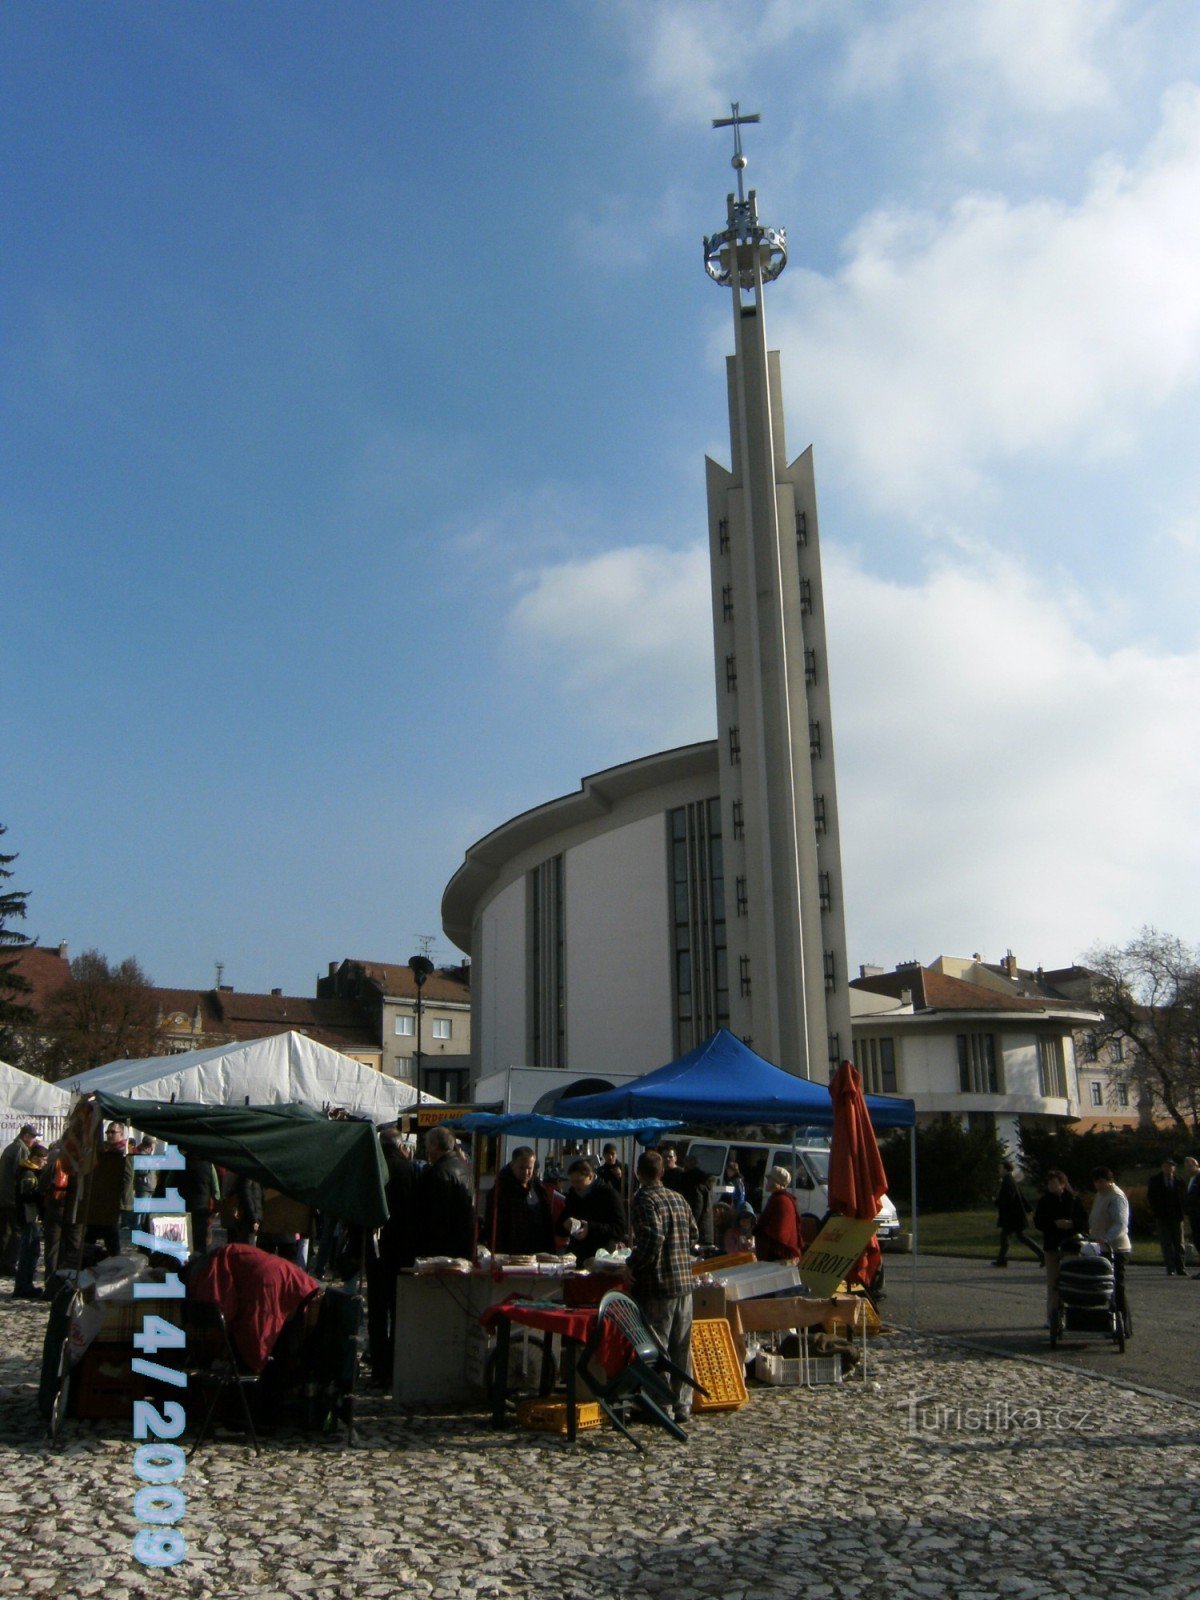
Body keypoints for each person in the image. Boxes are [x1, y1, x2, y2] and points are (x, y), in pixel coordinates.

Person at [626, 1149, 698, 1424]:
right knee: (682, 1346)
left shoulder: (644, 1199)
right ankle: (682, 1405)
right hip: (684, 1282)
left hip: (659, 1283)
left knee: (659, 1347)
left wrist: (633, 1263)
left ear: (638, 1173)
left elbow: (652, 1236)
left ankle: (661, 1405)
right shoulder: (678, 1198)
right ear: (662, 1172)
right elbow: (694, 1234)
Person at [366, 1130, 419, 1388]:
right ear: (400, 1147)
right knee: (399, 1310)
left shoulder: (373, 1169)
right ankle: (398, 1365)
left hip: (376, 1250)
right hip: (401, 1249)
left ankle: (379, 1367)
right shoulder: (407, 1170)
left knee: (377, 1312)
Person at [1032, 1169, 1088, 1323]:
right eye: (1049, 1183)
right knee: (1053, 1283)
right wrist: (1053, 1224)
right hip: (1051, 1245)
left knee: (1071, 1281)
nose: (1051, 1186)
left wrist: (1072, 1224)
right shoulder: (1044, 1201)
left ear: (1062, 1184)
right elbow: (1038, 1222)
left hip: (1070, 1245)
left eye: (1054, 1183)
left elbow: (1083, 1222)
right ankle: (1053, 1317)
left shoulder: (1073, 1200)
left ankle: (1074, 1316)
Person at [414, 1125, 475, 1260]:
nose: (426, 1150)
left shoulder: (438, 1173)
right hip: (462, 1242)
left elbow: (435, 1215)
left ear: (435, 1145)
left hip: (442, 1249)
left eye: (427, 1145)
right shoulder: (463, 1167)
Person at [485, 1146, 554, 1255]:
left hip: (538, 1252)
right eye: (521, 1168)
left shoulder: (538, 1188)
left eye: (529, 1168)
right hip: (511, 1254)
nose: (526, 1172)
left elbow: (546, 1221)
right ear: (513, 1165)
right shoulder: (500, 1191)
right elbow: (493, 1226)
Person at [556, 1157, 627, 1260]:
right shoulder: (573, 1196)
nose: (575, 1185)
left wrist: (591, 1228)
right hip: (576, 1257)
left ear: (590, 1176)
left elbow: (619, 1229)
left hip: (601, 1257)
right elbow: (560, 1226)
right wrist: (565, 1225)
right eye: (572, 1182)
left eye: (578, 1181)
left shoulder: (609, 1195)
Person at [1089, 1166, 1132, 1334]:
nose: (1098, 1185)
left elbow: (1120, 1224)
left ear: (1109, 1181)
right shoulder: (1100, 1195)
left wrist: (1105, 1238)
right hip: (1101, 1247)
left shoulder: (1116, 1197)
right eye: (1096, 1182)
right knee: (1106, 1286)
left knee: (1117, 1286)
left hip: (1117, 1248)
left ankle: (1123, 1325)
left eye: (1101, 1182)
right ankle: (1110, 1321)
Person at [0, 1125, 39, 1273]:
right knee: (15, 1232)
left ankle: (3, 1262)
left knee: (5, 1232)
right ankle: (8, 1264)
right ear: (26, 1136)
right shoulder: (20, 1149)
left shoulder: (11, 1147)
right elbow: (21, 1171)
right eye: (33, 1137)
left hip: (4, 1196)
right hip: (12, 1197)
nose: (34, 1140)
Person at [992, 1161, 1044, 1267]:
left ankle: (1001, 1260)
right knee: (1016, 1237)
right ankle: (1001, 1260)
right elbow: (1020, 1196)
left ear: (1006, 1169)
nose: (999, 1170)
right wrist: (1028, 1209)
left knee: (1008, 1238)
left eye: (1000, 1168)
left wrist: (996, 1201)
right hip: (1014, 1216)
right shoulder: (1011, 1180)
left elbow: (1008, 1198)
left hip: (1012, 1217)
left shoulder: (1007, 1182)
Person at [13, 1141, 48, 1298]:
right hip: (29, 1218)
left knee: (32, 1252)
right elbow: (27, 1196)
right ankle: (23, 1287)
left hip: (32, 1218)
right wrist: (41, 1192)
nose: (45, 1162)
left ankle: (26, 1284)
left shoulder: (30, 1171)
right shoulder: (28, 1173)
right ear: (35, 1158)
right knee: (29, 1253)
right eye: (43, 1159)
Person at [1147, 1157, 1187, 1277]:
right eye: (1166, 1166)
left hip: (1177, 1216)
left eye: (1170, 1166)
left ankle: (1181, 1267)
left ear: (1174, 1168)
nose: (1168, 1168)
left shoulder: (1179, 1181)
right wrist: (1156, 1211)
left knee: (1179, 1243)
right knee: (1166, 1243)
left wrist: (1184, 1212)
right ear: (1162, 1167)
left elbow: (1184, 1197)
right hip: (1162, 1216)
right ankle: (1170, 1267)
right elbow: (1151, 1197)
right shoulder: (1155, 1180)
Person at [754, 1167, 803, 1262]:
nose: (767, 1182)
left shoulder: (782, 1201)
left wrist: (761, 1232)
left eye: (770, 1179)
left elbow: (780, 1234)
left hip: (780, 1260)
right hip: (777, 1259)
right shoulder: (777, 1199)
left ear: (777, 1182)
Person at [1179, 1156, 1200, 1275]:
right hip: (1193, 1216)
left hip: (1198, 1214)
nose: (1188, 1168)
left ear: (1197, 1165)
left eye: (1190, 1166)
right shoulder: (1192, 1179)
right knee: (1197, 1240)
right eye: (1186, 1166)